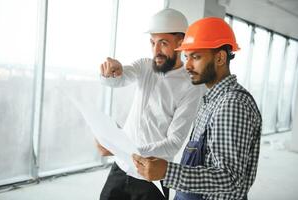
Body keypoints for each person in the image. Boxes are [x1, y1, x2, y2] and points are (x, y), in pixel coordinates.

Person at [133, 17, 262, 200]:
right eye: (186, 57)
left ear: (220, 58)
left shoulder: (231, 104)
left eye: (196, 57)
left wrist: (168, 172)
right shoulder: (211, 100)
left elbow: (231, 179)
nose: (188, 65)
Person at [97, 8, 206, 200]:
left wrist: (126, 149)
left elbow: (173, 144)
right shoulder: (145, 66)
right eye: (153, 42)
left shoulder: (191, 87)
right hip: (122, 168)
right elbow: (119, 79)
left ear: (180, 43)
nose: (156, 51)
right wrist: (109, 72)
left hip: (152, 176)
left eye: (163, 43)